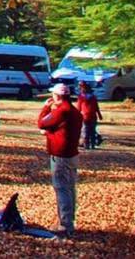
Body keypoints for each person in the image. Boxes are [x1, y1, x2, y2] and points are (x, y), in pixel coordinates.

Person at [37, 82, 83, 236]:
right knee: (70, 188)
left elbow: (42, 123)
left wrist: (46, 108)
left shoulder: (62, 111)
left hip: (60, 155)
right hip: (73, 154)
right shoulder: (75, 112)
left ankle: (65, 225)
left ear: (57, 96)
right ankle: (69, 220)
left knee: (61, 188)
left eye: (53, 95)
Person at [77, 82, 103, 149]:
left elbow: (96, 107)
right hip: (86, 117)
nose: (82, 89)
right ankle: (88, 144)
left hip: (90, 117)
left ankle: (91, 144)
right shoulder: (83, 97)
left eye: (83, 88)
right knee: (87, 131)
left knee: (89, 131)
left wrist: (99, 114)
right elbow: (79, 108)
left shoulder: (84, 97)